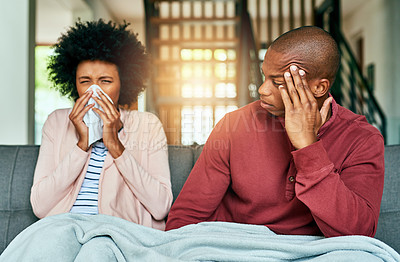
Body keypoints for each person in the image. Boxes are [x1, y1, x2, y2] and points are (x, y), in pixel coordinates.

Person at [165, 26, 385, 237]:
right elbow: (185, 218)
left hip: (312, 252)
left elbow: (359, 232)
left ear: (319, 87)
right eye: (264, 76)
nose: (262, 89)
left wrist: (308, 147)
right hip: (235, 247)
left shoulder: (362, 139)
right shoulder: (234, 125)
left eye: (277, 82)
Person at [31, 19, 172, 230]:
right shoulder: (56, 122)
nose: (94, 92)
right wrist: (82, 144)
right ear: (73, 83)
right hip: (63, 231)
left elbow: (161, 207)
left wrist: (115, 144)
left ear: (124, 83)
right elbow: (40, 206)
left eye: (105, 81)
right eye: (85, 81)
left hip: (117, 233)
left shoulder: (147, 125)